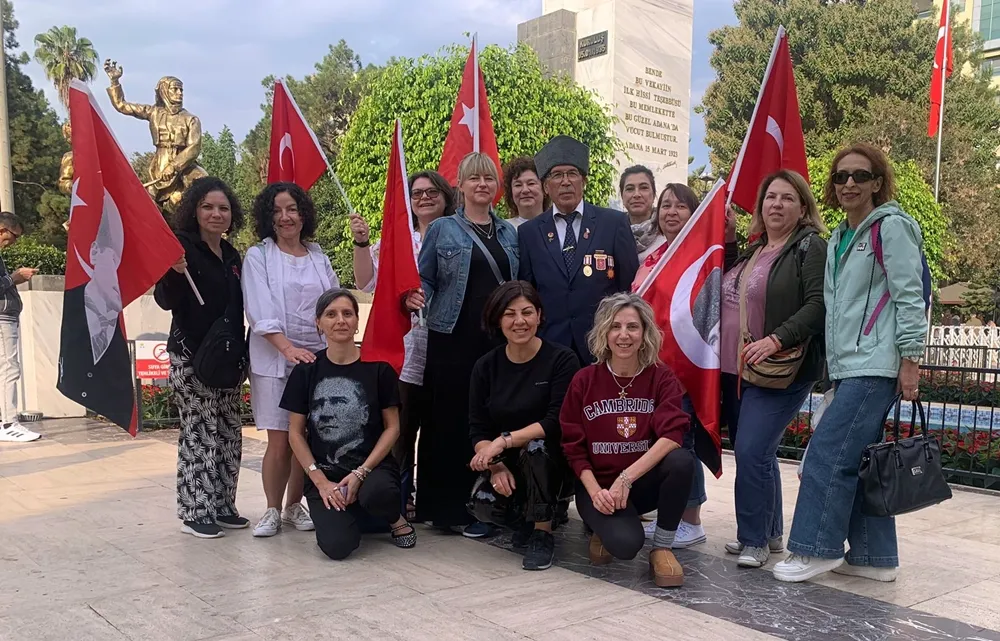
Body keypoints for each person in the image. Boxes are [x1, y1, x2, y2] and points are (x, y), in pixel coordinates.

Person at [774, 143, 927, 583]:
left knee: (827, 453)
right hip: (849, 366)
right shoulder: (841, 237)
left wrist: (911, 360)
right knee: (862, 462)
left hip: (875, 365)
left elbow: (909, 298)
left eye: (860, 176)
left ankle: (814, 549)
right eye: (841, 177)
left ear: (878, 182)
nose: (849, 184)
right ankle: (873, 558)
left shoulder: (892, 228)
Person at [405, 152, 518, 536]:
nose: (482, 185)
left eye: (488, 178)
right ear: (462, 186)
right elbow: (426, 279)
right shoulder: (442, 230)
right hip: (450, 337)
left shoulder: (508, 233)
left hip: (497, 340)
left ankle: (489, 504)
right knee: (447, 422)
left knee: (491, 419)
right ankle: (446, 507)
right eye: (474, 179)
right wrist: (412, 297)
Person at [719, 170, 827, 569]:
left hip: (782, 367)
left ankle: (753, 541)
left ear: (802, 208)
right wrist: (729, 237)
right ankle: (772, 533)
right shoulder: (757, 249)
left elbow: (817, 305)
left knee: (749, 451)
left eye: (786, 198)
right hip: (743, 368)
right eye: (770, 197)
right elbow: (729, 284)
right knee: (760, 453)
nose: (776, 204)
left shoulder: (810, 247)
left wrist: (776, 339)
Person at [560, 293, 694, 587]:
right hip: (597, 488)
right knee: (624, 545)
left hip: (638, 483)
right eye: (615, 326)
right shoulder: (584, 380)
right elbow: (573, 448)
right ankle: (602, 527)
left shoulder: (661, 377)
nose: (624, 335)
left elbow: (672, 435)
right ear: (604, 332)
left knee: (682, 462)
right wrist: (597, 492)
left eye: (632, 327)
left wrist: (626, 478)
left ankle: (662, 548)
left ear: (645, 332)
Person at [630, 183, 738, 549]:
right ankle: (668, 513)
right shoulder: (652, 255)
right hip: (651, 367)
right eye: (666, 206)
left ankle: (690, 519)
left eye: (681, 206)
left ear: (695, 214)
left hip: (685, 367)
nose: (671, 212)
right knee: (661, 442)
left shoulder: (702, 258)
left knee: (683, 442)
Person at [350, 170, 456, 520]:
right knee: (402, 429)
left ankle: (436, 498)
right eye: (417, 193)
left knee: (441, 429)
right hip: (406, 352)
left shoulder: (459, 237)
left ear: (445, 196)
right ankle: (399, 497)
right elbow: (365, 282)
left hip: (446, 348)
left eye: (432, 192)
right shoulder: (398, 242)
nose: (424, 198)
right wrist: (362, 243)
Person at [281, 288, 416, 560]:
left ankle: (394, 518)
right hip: (326, 474)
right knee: (338, 547)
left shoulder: (379, 368)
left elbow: (393, 428)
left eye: (347, 313)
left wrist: (361, 473)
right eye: (330, 314)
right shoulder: (306, 371)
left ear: (356, 322)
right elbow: (295, 433)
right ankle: (349, 512)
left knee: (378, 493)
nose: (340, 320)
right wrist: (319, 480)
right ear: (319, 323)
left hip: (372, 467)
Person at [242, 182, 339, 538]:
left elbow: (332, 302)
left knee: (305, 439)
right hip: (275, 360)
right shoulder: (259, 256)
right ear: (269, 218)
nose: (286, 217)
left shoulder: (318, 256)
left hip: (314, 359)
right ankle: (270, 508)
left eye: (292, 209)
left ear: (303, 215)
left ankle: (294, 506)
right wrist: (286, 349)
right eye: (277, 211)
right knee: (280, 439)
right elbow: (260, 309)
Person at [154, 177, 246, 539]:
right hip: (191, 360)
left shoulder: (232, 256)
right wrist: (173, 271)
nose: (216, 213)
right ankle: (195, 510)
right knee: (199, 433)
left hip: (226, 361)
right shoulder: (180, 248)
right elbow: (165, 299)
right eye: (208, 206)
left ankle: (223, 505)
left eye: (223, 208)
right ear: (194, 210)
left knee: (228, 434)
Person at [467, 281, 580, 570]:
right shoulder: (485, 366)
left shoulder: (562, 359)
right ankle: (531, 517)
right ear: (497, 320)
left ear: (540, 316)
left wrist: (504, 440)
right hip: (507, 461)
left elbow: (556, 421)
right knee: (483, 503)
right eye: (509, 314)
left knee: (536, 448)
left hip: (553, 460)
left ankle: (543, 531)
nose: (520, 321)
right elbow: (478, 430)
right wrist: (494, 465)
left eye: (527, 312)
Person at [518, 135, 639, 365]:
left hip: (604, 347)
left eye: (572, 174)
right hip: (550, 349)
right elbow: (528, 294)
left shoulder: (613, 223)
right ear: (545, 186)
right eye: (557, 175)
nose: (565, 182)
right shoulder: (529, 233)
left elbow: (629, 288)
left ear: (583, 181)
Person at [0, 213, 39, 443]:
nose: (13, 243)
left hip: (6, 318)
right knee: (9, 369)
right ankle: (8, 423)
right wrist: (14, 278)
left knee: (6, 369)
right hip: (2, 319)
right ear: (2, 230)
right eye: (13, 237)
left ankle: (5, 421)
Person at [619, 165, 660, 258]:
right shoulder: (612, 233)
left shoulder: (666, 232)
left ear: (654, 194)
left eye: (644, 187)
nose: (636, 194)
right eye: (630, 189)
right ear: (622, 196)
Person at [502, 157, 547, 228]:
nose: (525, 190)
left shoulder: (557, 226)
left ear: (545, 188)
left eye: (531, 183)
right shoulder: (504, 230)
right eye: (518, 185)